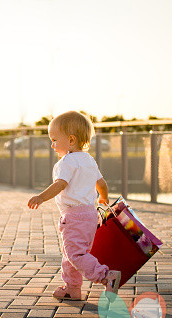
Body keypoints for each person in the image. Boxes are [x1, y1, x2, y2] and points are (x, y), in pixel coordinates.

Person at [27, 111, 121, 300]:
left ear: (71, 140)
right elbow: (101, 184)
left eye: (54, 140)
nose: (52, 145)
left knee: (75, 254)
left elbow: (60, 185)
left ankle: (105, 276)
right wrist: (103, 198)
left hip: (74, 216)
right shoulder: (88, 160)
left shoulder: (67, 162)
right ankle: (72, 288)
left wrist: (41, 197)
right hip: (89, 214)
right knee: (71, 254)